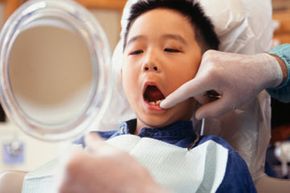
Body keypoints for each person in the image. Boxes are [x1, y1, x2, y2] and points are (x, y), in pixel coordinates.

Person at [59, 0, 257, 193]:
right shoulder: (84, 148)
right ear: (121, 73)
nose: (149, 61)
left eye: (170, 49)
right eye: (136, 51)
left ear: (205, 72)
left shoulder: (217, 160)